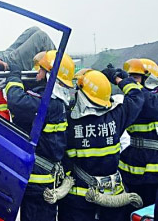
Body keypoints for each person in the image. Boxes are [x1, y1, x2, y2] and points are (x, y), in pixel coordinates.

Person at [58, 68, 145, 221]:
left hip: (79, 198)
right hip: (113, 195)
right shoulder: (118, 114)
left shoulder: (68, 119)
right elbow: (137, 96)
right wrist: (120, 78)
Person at [2, 50, 75, 221]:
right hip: (46, 180)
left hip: (38, 183)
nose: (37, 74)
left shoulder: (46, 104)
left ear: (49, 75)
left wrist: (14, 76)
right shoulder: (60, 103)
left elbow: (16, 101)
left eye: (41, 70)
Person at [118, 59, 158, 209]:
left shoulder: (151, 99)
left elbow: (149, 105)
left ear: (149, 79)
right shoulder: (133, 99)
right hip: (132, 168)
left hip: (153, 173)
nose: (132, 82)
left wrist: (125, 83)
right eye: (131, 77)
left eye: (136, 78)